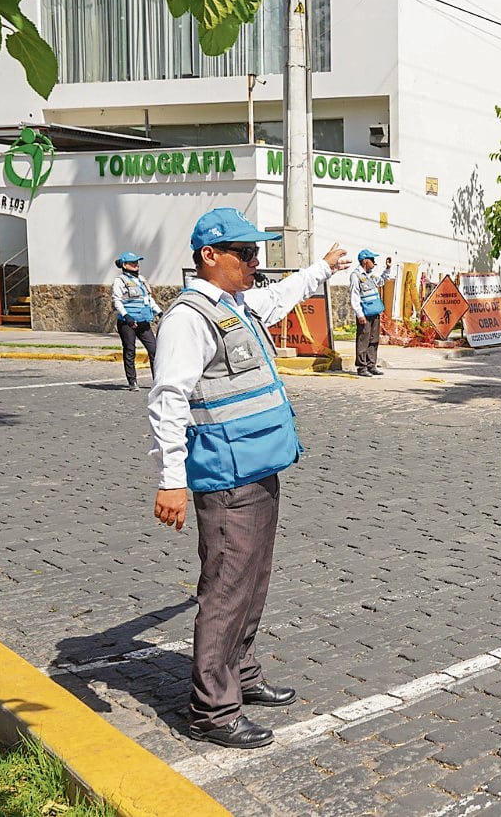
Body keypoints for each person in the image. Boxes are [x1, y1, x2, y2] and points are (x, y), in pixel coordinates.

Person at [148, 208, 352, 749]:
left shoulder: (234, 306)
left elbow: (280, 297)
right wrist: (172, 479)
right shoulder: (189, 319)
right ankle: (212, 711)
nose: (254, 262)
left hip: (259, 470)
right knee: (226, 590)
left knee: (252, 584)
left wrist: (321, 269)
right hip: (225, 477)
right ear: (209, 257)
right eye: (244, 253)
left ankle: (243, 673)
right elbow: (168, 400)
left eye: (256, 252)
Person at [111, 252, 160, 391]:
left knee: (154, 350)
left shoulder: (142, 280)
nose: (136, 265)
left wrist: (159, 311)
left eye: (137, 262)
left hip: (143, 320)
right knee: (130, 350)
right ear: (125, 265)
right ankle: (132, 382)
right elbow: (117, 300)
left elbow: (149, 299)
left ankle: (158, 380)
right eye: (133, 263)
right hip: (128, 322)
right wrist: (126, 316)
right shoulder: (120, 281)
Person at [349, 249, 396, 376]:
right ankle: (362, 367)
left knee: (374, 340)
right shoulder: (356, 275)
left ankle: (371, 365)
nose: (374, 263)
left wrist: (387, 268)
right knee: (363, 340)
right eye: (372, 260)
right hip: (365, 313)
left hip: (375, 312)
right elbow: (354, 296)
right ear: (365, 261)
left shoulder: (371, 275)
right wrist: (359, 314)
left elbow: (381, 281)